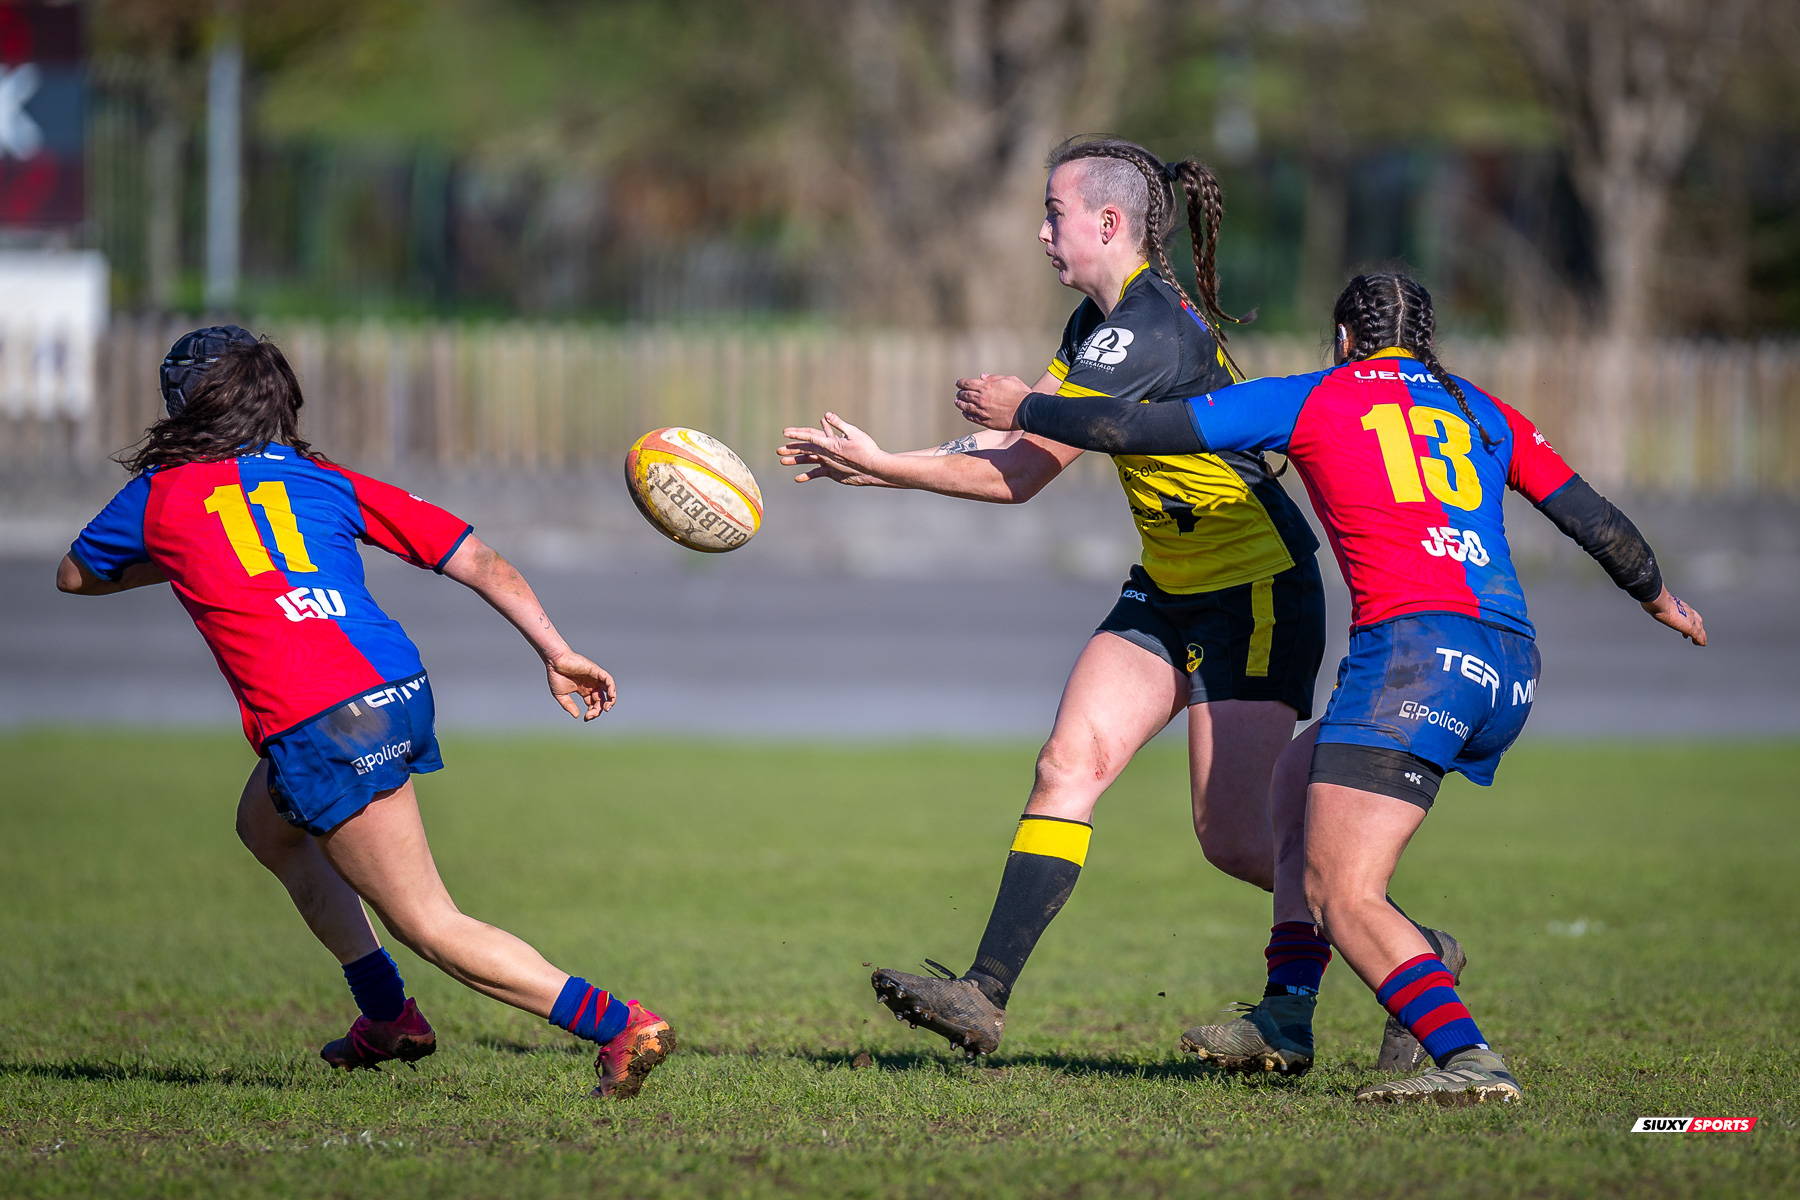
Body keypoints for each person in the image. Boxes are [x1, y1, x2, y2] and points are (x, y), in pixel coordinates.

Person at [954, 271, 1706, 1102]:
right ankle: (1285, 1014)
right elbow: (1594, 518)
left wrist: (1025, 407)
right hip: (1509, 664)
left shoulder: (1318, 397)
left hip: (1413, 658)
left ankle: (1472, 1063)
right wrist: (1659, 597)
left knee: (1341, 891)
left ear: (1345, 338)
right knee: (1290, 784)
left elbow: (1135, 427)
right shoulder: (1484, 409)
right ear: (1423, 339)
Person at [782, 138, 1445, 1070]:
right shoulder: (1093, 329)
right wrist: (887, 464)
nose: (1040, 229)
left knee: (1238, 839)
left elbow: (1021, 458)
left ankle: (1419, 956)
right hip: (1167, 587)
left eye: (1053, 212)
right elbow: (1024, 467)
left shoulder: (1150, 329)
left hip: (1256, 590)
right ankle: (983, 995)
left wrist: (887, 468)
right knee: (1067, 765)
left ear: (1107, 223)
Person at [57, 326, 676, 1100]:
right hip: (397, 689)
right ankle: (388, 1017)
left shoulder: (159, 498)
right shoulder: (322, 478)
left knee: (431, 924)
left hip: (325, 721)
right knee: (266, 825)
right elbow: (479, 558)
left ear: (182, 409)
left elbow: (76, 576)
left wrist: (187, 554)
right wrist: (558, 652)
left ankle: (621, 1022)